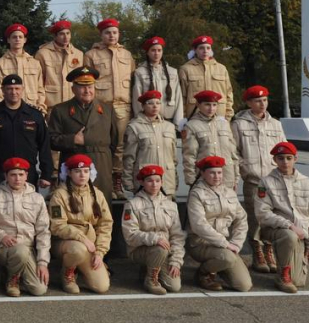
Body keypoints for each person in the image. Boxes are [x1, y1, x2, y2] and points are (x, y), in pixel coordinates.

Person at [231, 85, 287, 273]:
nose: (262, 104)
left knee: (273, 215)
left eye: (264, 100)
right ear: (248, 103)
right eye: (257, 101)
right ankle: (257, 253)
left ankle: (269, 248)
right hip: (254, 179)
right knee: (255, 217)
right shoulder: (239, 124)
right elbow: (234, 152)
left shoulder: (275, 124)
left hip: (273, 180)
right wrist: (243, 169)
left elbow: (284, 149)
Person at [255, 142, 309, 294]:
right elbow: (262, 213)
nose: (285, 162)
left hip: (301, 233)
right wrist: (289, 225)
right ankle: (282, 275)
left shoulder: (308, 183)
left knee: (298, 282)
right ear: (274, 160)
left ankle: (289, 270)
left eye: (289, 158)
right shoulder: (266, 182)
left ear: (295, 159)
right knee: (289, 235)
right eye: (280, 158)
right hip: (275, 229)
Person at [47, 66, 119, 200]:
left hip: (101, 165)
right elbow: (51, 140)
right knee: (73, 206)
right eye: (82, 87)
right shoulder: (61, 110)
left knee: (101, 206)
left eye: (90, 86)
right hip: (73, 165)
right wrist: (72, 140)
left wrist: (104, 157)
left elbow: (114, 141)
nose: (87, 91)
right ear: (73, 89)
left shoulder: (107, 109)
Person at [0, 157, 51, 297]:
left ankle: (13, 272)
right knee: (19, 251)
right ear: (6, 176)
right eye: (13, 175)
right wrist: (1, 236)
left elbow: (43, 232)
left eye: (21, 174)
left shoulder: (37, 198)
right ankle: (11, 279)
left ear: (27, 175)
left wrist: (43, 262)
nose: (17, 179)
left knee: (39, 289)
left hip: (28, 247)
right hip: (3, 248)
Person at [48, 154, 113, 295]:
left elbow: (105, 225)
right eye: (77, 171)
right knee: (78, 250)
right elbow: (57, 226)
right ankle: (68, 274)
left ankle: (82, 270)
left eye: (85, 171)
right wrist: (82, 238)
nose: (82, 175)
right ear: (69, 173)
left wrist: (100, 253)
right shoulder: (59, 195)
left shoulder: (97, 194)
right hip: (65, 243)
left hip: (90, 246)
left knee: (101, 287)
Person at [186, 156, 252, 292]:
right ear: (203, 174)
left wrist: (237, 244)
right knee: (227, 258)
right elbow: (199, 225)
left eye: (219, 172)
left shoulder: (229, 192)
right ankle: (204, 273)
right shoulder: (197, 194)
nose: (216, 176)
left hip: (226, 246)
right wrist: (225, 244)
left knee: (244, 285)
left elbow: (242, 219)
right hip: (201, 243)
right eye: (212, 172)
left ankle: (218, 266)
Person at [84, 18, 134, 194]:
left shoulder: (126, 55)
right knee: (101, 144)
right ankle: (99, 181)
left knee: (120, 145)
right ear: (101, 35)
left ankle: (116, 181)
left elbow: (132, 81)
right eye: (107, 32)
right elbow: (87, 82)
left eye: (114, 32)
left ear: (119, 34)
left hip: (123, 105)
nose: (111, 35)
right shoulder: (92, 55)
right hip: (101, 106)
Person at [121, 165, 185, 295]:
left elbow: (177, 236)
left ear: (162, 182)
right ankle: (151, 280)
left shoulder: (171, 205)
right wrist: (155, 239)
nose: (154, 184)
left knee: (174, 286)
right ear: (142, 182)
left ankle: (149, 270)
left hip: (165, 251)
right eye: (149, 180)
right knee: (160, 248)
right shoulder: (132, 204)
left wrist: (176, 260)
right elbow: (130, 234)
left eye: (157, 180)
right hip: (140, 250)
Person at [0, 74, 53, 189]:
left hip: (26, 174)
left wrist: (46, 174)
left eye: (17, 88)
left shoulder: (35, 115)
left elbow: (44, 146)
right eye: (9, 89)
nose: (13, 92)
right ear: (2, 90)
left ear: (22, 90)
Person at [122, 90, 178, 197]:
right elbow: (129, 157)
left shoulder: (169, 127)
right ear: (143, 106)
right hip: (145, 182)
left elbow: (174, 158)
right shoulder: (134, 127)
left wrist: (175, 179)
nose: (155, 106)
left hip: (167, 181)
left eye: (158, 103)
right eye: (150, 103)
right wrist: (128, 181)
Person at [182, 90, 239, 190]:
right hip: (204, 177)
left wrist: (236, 176)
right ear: (198, 105)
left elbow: (233, 152)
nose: (211, 108)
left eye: (214, 105)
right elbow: (189, 156)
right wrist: (191, 180)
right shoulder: (192, 126)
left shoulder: (224, 124)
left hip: (227, 175)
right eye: (207, 104)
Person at [0, 23, 45, 113]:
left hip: (32, 109)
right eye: (14, 37)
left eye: (20, 37)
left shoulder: (35, 63)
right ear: (8, 40)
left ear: (25, 40)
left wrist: (41, 107)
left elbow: (40, 89)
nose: (17, 39)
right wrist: (1, 112)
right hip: (8, 111)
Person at [179, 35, 235, 121]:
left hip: (219, 115)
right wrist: (184, 118)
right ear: (195, 50)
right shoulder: (186, 69)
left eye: (208, 48)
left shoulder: (221, 68)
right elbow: (181, 96)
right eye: (201, 48)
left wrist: (228, 115)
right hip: (195, 116)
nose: (205, 51)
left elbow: (229, 93)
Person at [131, 37, 183, 127]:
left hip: (169, 118)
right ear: (147, 52)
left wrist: (178, 121)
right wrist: (140, 119)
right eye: (153, 50)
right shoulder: (140, 72)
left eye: (159, 50)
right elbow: (137, 98)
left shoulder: (172, 72)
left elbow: (178, 97)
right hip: (148, 120)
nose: (156, 53)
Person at [36, 20, 84, 115]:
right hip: (52, 106)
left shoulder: (79, 54)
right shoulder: (43, 53)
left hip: (73, 104)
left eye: (68, 33)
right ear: (55, 36)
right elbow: (38, 82)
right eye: (61, 34)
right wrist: (40, 104)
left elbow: (82, 80)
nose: (66, 37)